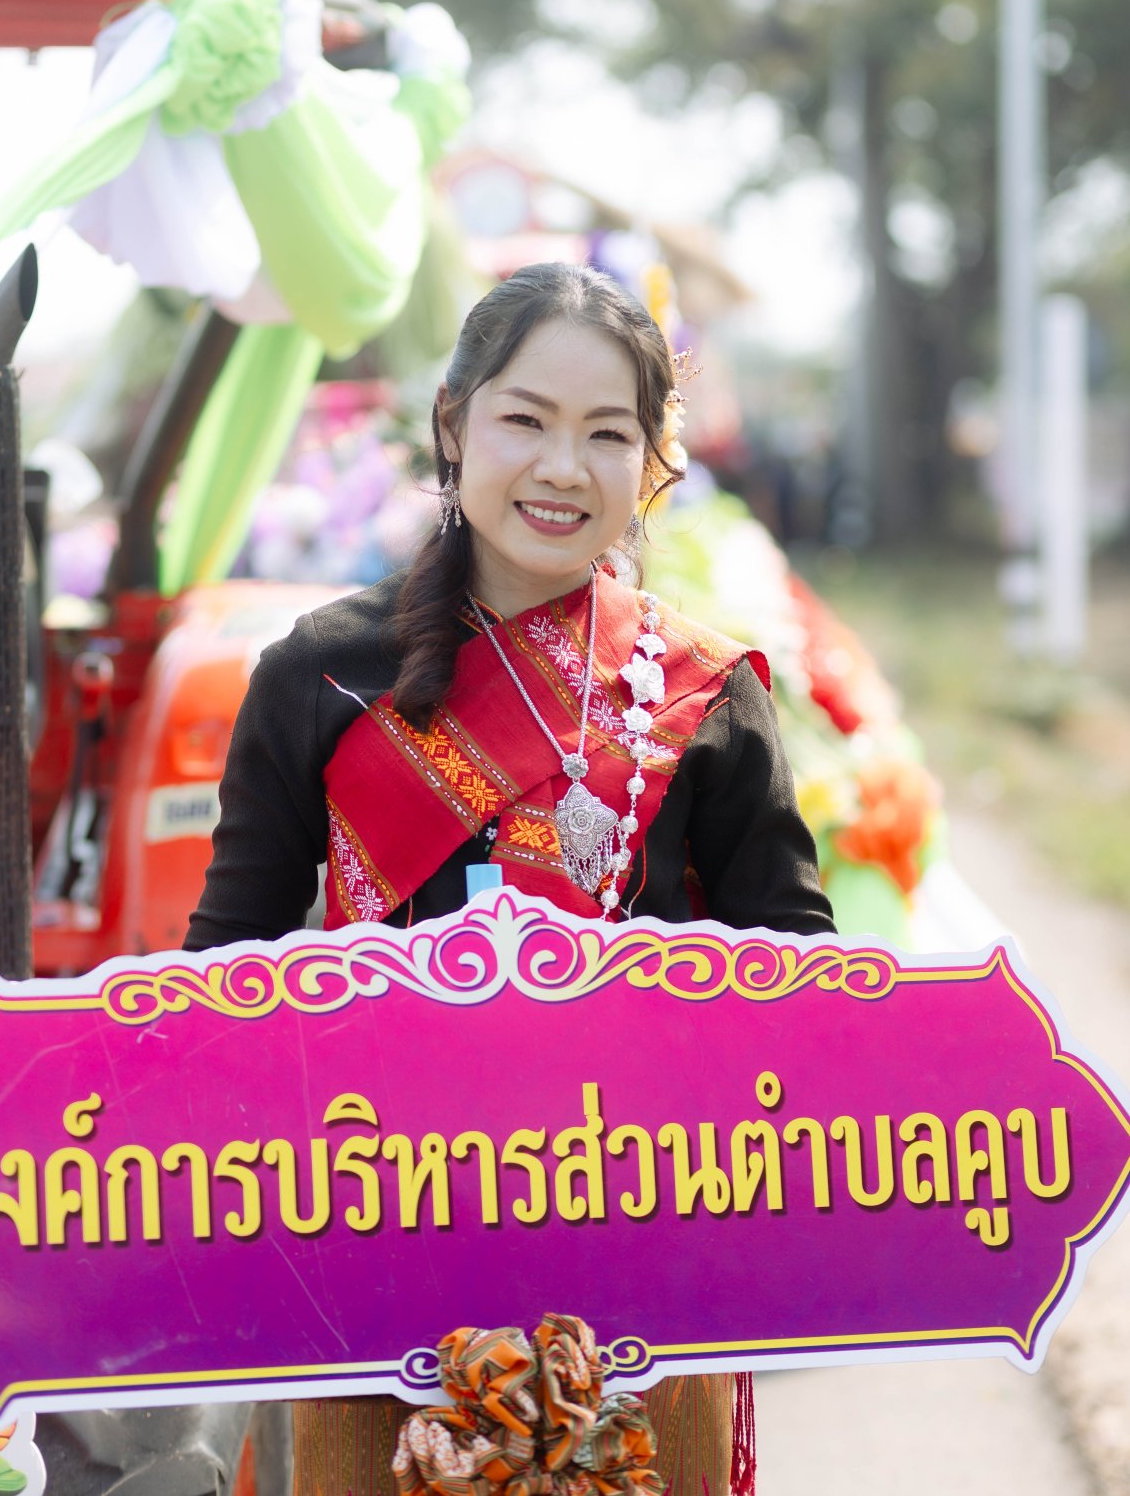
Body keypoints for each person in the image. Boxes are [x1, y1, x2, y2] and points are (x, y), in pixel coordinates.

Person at [185, 262, 835, 1496]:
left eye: (607, 433)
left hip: (645, 1274)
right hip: (375, 1258)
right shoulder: (319, 675)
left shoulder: (703, 693)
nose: (561, 467)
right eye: (525, 419)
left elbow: (798, 988)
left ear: (651, 460)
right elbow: (223, 978)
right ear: (453, 423)